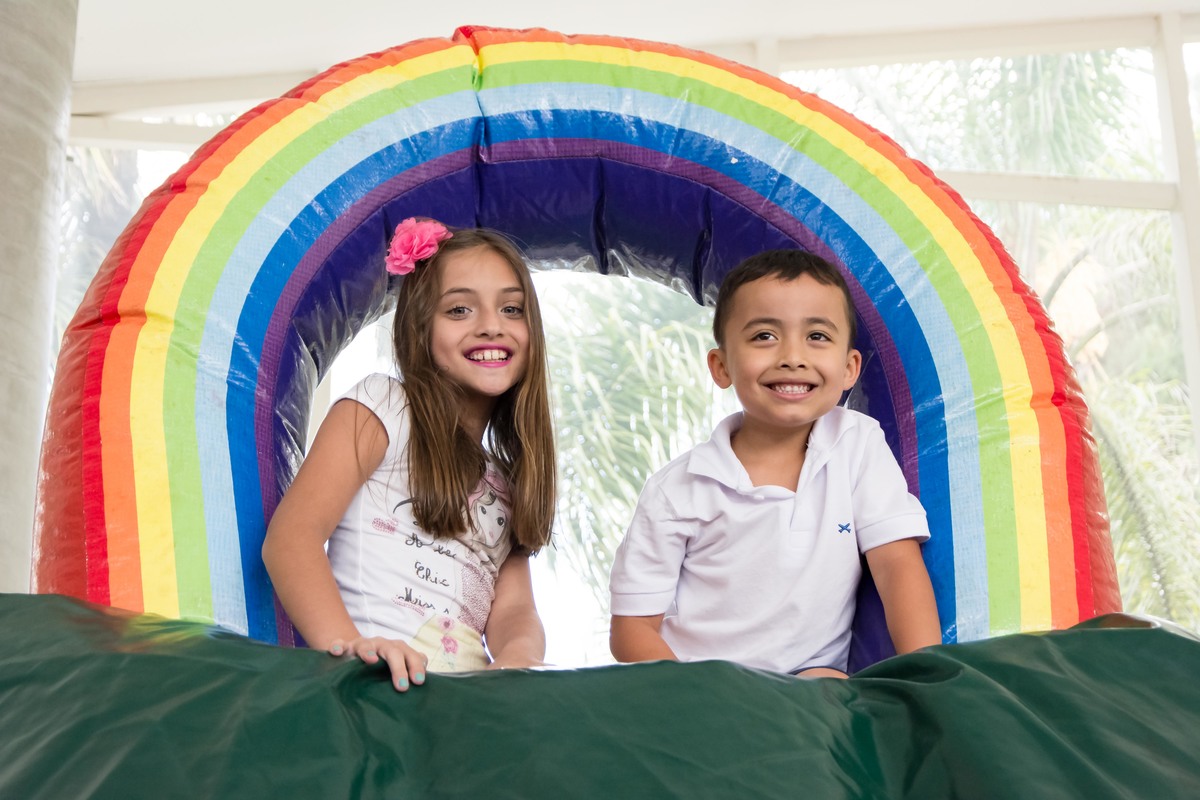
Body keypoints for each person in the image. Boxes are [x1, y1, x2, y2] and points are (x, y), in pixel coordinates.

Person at [608, 249, 940, 678]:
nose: (792, 356)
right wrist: (697, 699)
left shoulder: (856, 444)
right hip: (702, 689)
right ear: (722, 365)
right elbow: (631, 629)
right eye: (764, 336)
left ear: (849, 368)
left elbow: (896, 565)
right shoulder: (679, 490)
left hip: (808, 688)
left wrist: (930, 676)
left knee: (829, 684)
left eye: (817, 337)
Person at [263, 218, 556, 691]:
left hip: (463, 711)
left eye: (511, 309)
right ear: (421, 329)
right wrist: (348, 649)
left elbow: (517, 611)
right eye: (459, 309)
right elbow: (291, 539)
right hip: (375, 686)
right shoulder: (384, 407)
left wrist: (519, 656)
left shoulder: (507, 484)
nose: (490, 326)